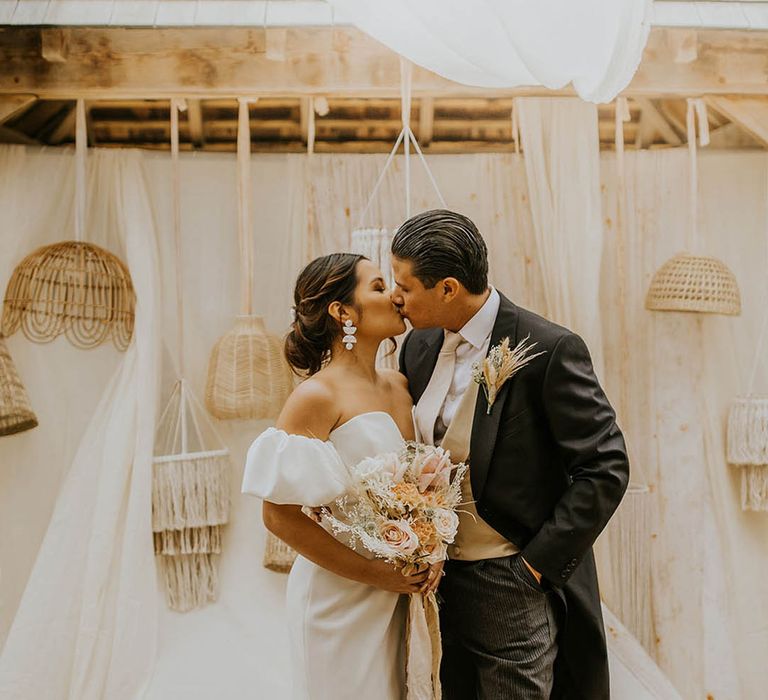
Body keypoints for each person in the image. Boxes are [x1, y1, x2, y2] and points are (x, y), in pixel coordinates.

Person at [392, 209, 630, 700]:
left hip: (513, 575)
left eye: (405, 285)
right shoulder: (416, 347)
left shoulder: (548, 348)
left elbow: (605, 468)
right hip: (442, 578)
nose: (396, 297)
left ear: (449, 288)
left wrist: (534, 567)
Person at [241, 253, 441, 700]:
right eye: (377, 286)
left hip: (397, 594)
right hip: (339, 597)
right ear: (342, 312)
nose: (394, 295)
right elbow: (278, 517)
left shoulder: (401, 385)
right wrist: (373, 572)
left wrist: (427, 547)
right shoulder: (316, 396)